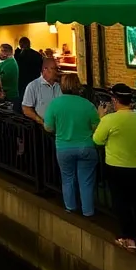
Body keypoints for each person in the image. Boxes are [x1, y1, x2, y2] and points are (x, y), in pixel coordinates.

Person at [93, 83, 136, 251]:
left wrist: (100, 117)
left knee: (121, 203)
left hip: (116, 168)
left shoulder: (108, 120)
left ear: (114, 100)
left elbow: (97, 140)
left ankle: (129, 239)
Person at [43, 73, 100, 217]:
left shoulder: (55, 104)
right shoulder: (88, 105)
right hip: (86, 147)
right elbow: (96, 126)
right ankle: (88, 212)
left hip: (63, 147)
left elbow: (48, 127)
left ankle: (70, 208)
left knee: (67, 179)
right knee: (86, 181)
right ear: (78, 87)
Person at [21, 58, 62, 126]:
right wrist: (41, 122)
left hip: (60, 126)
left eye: (57, 69)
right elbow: (26, 109)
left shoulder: (60, 85)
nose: (57, 72)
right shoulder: (33, 86)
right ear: (45, 69)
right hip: (42, 128)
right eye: (54, 69)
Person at [0, 43, 20, 112]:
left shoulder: (11, 63)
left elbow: (0, 78)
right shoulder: (7, 62)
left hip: (10, 96)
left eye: (0, 51)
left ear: (5, 52)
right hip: (7, 95)